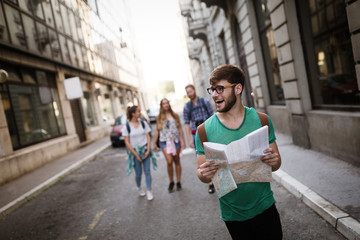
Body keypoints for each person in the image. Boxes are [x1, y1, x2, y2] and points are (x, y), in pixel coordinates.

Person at [196, 65, 282, 239]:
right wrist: (204, 173)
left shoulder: (262, 120)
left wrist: (274, 161)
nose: (214, 94)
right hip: (233, 215)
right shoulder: (204, 130)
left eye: (220, 89)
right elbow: (202, 176)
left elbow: (277, 164)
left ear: (238, 88)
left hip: (266, 208)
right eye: (212, 90)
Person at [183, 84, 215, 193]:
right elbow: (186, 123)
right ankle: (210, 183)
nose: (189, 94)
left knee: (214, 155)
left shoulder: (205, 102)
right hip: (196, 134)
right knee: (202, 159)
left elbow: (213, 116)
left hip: (208, 132)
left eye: (190, 91)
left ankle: (218, 178)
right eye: (187, 92)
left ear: (195, 90)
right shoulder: (187, 107)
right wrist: (189, 139)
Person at [123, 105, 157, 201]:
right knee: (138, 173)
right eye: (138, 111)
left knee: (147, 171)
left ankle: (149, 191)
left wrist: (148, 150)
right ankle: (139, 187)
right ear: (133, 114)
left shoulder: (143, 123)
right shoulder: (127, 127)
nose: (140, 113)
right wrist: (136, 155)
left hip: (145, 150)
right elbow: (127, 142)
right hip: (134, 153)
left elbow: (148, 136)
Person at [153, 98, 186, 192]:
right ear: (161, 105)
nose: (166, 105)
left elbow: (180, 128)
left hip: (175, 141)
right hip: (164, 141)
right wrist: (155, 142)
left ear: (169, 104)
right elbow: (157, 130)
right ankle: (171, 181)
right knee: (169, 161)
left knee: (177, 161)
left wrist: (183, 141)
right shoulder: (159, 117)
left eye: (167, 103)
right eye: (164, 103)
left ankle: (178, 182)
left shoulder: (174, 115)